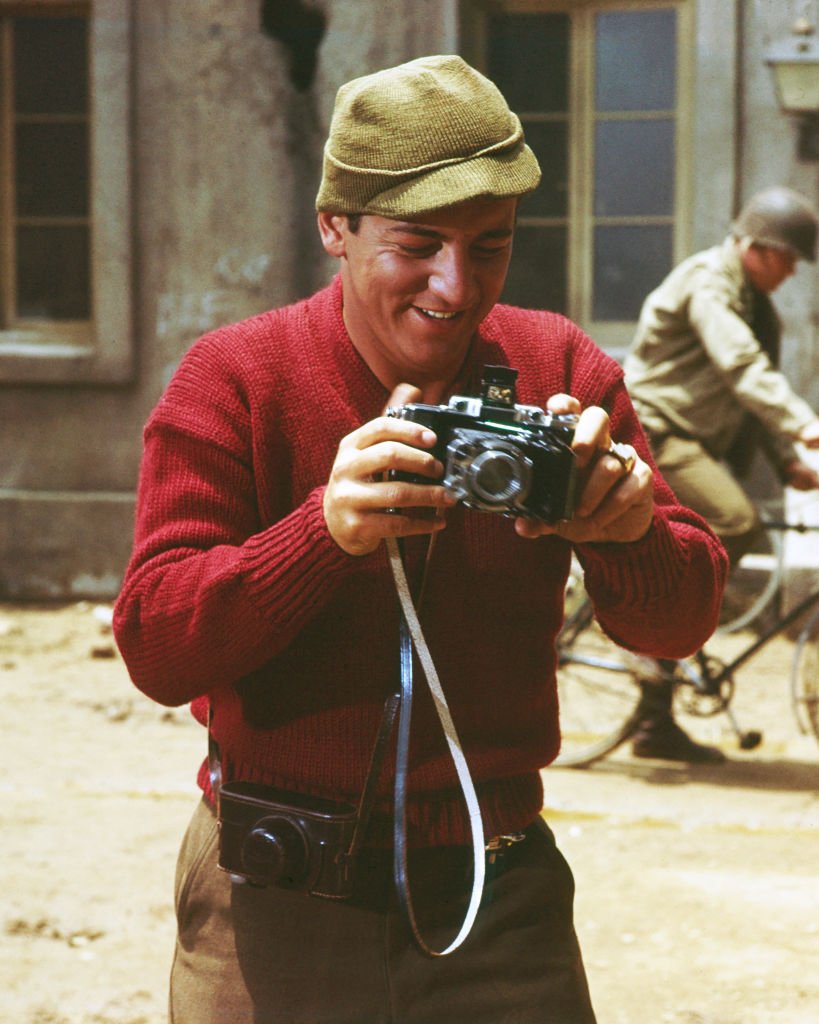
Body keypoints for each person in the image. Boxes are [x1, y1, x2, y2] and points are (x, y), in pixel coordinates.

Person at [113, 55, 726, 1024]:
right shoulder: (237, 376)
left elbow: (680, 620)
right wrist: (319, 533)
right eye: (418, 244)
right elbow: (154, 639)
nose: (456, 284)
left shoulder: (559, 365)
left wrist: (627, 529)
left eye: (491, 246)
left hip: (497, 895)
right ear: (335, 227)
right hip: (278, 894)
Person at [624, 185, 819, 764]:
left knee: (726, 535)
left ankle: (654, 717)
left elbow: (743, 398)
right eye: (787, 258)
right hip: (657, 432)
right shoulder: (709, 281)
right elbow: (740, 365)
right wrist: (807, 425)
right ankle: (655, 620)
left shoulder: (758, 305)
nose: (791, 272)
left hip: (701, 440)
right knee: (732, 520)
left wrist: (786, 460)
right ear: (757, 246)